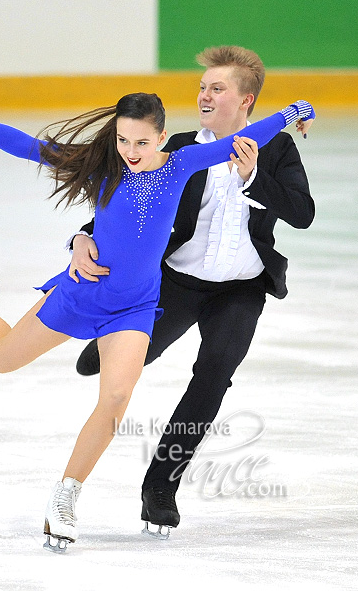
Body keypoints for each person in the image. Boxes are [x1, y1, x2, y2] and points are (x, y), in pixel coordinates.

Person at [0, 90, 313, 551]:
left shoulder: (180, 164)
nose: (130, 152)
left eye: (142, 143)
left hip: (136, 305)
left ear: (162, 137)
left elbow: (243, 140)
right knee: (4, 359)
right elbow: (27, 145)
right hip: (86, 290)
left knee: (116, 398)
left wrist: (295, 111)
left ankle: (65, 497)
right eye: (124, 140)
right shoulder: (102, 165)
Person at [71, 47, 316, 538]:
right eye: (203, 87)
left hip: (241, 289)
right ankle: (116, 345)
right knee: (131, 357)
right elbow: (123, 208)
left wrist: (253, 176)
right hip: (177, 282)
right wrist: (81, 236)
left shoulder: (279, 150)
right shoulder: (178, 149)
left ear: (246, 101)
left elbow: (302, 213)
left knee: (214, 375)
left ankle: (160, 486)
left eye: (217, 88)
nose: (204, 94)